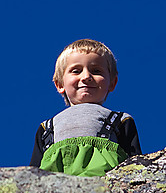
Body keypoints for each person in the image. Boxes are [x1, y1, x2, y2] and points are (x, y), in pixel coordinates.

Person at [30, 39, 141, 176]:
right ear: (59, 84)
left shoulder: (121, 120)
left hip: (104, 185)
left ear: (112, 83)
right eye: (76, 71)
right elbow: (33, 172)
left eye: (96, 71)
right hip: (56, 188)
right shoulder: (47, 128)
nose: (86, 76)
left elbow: (136, 163)